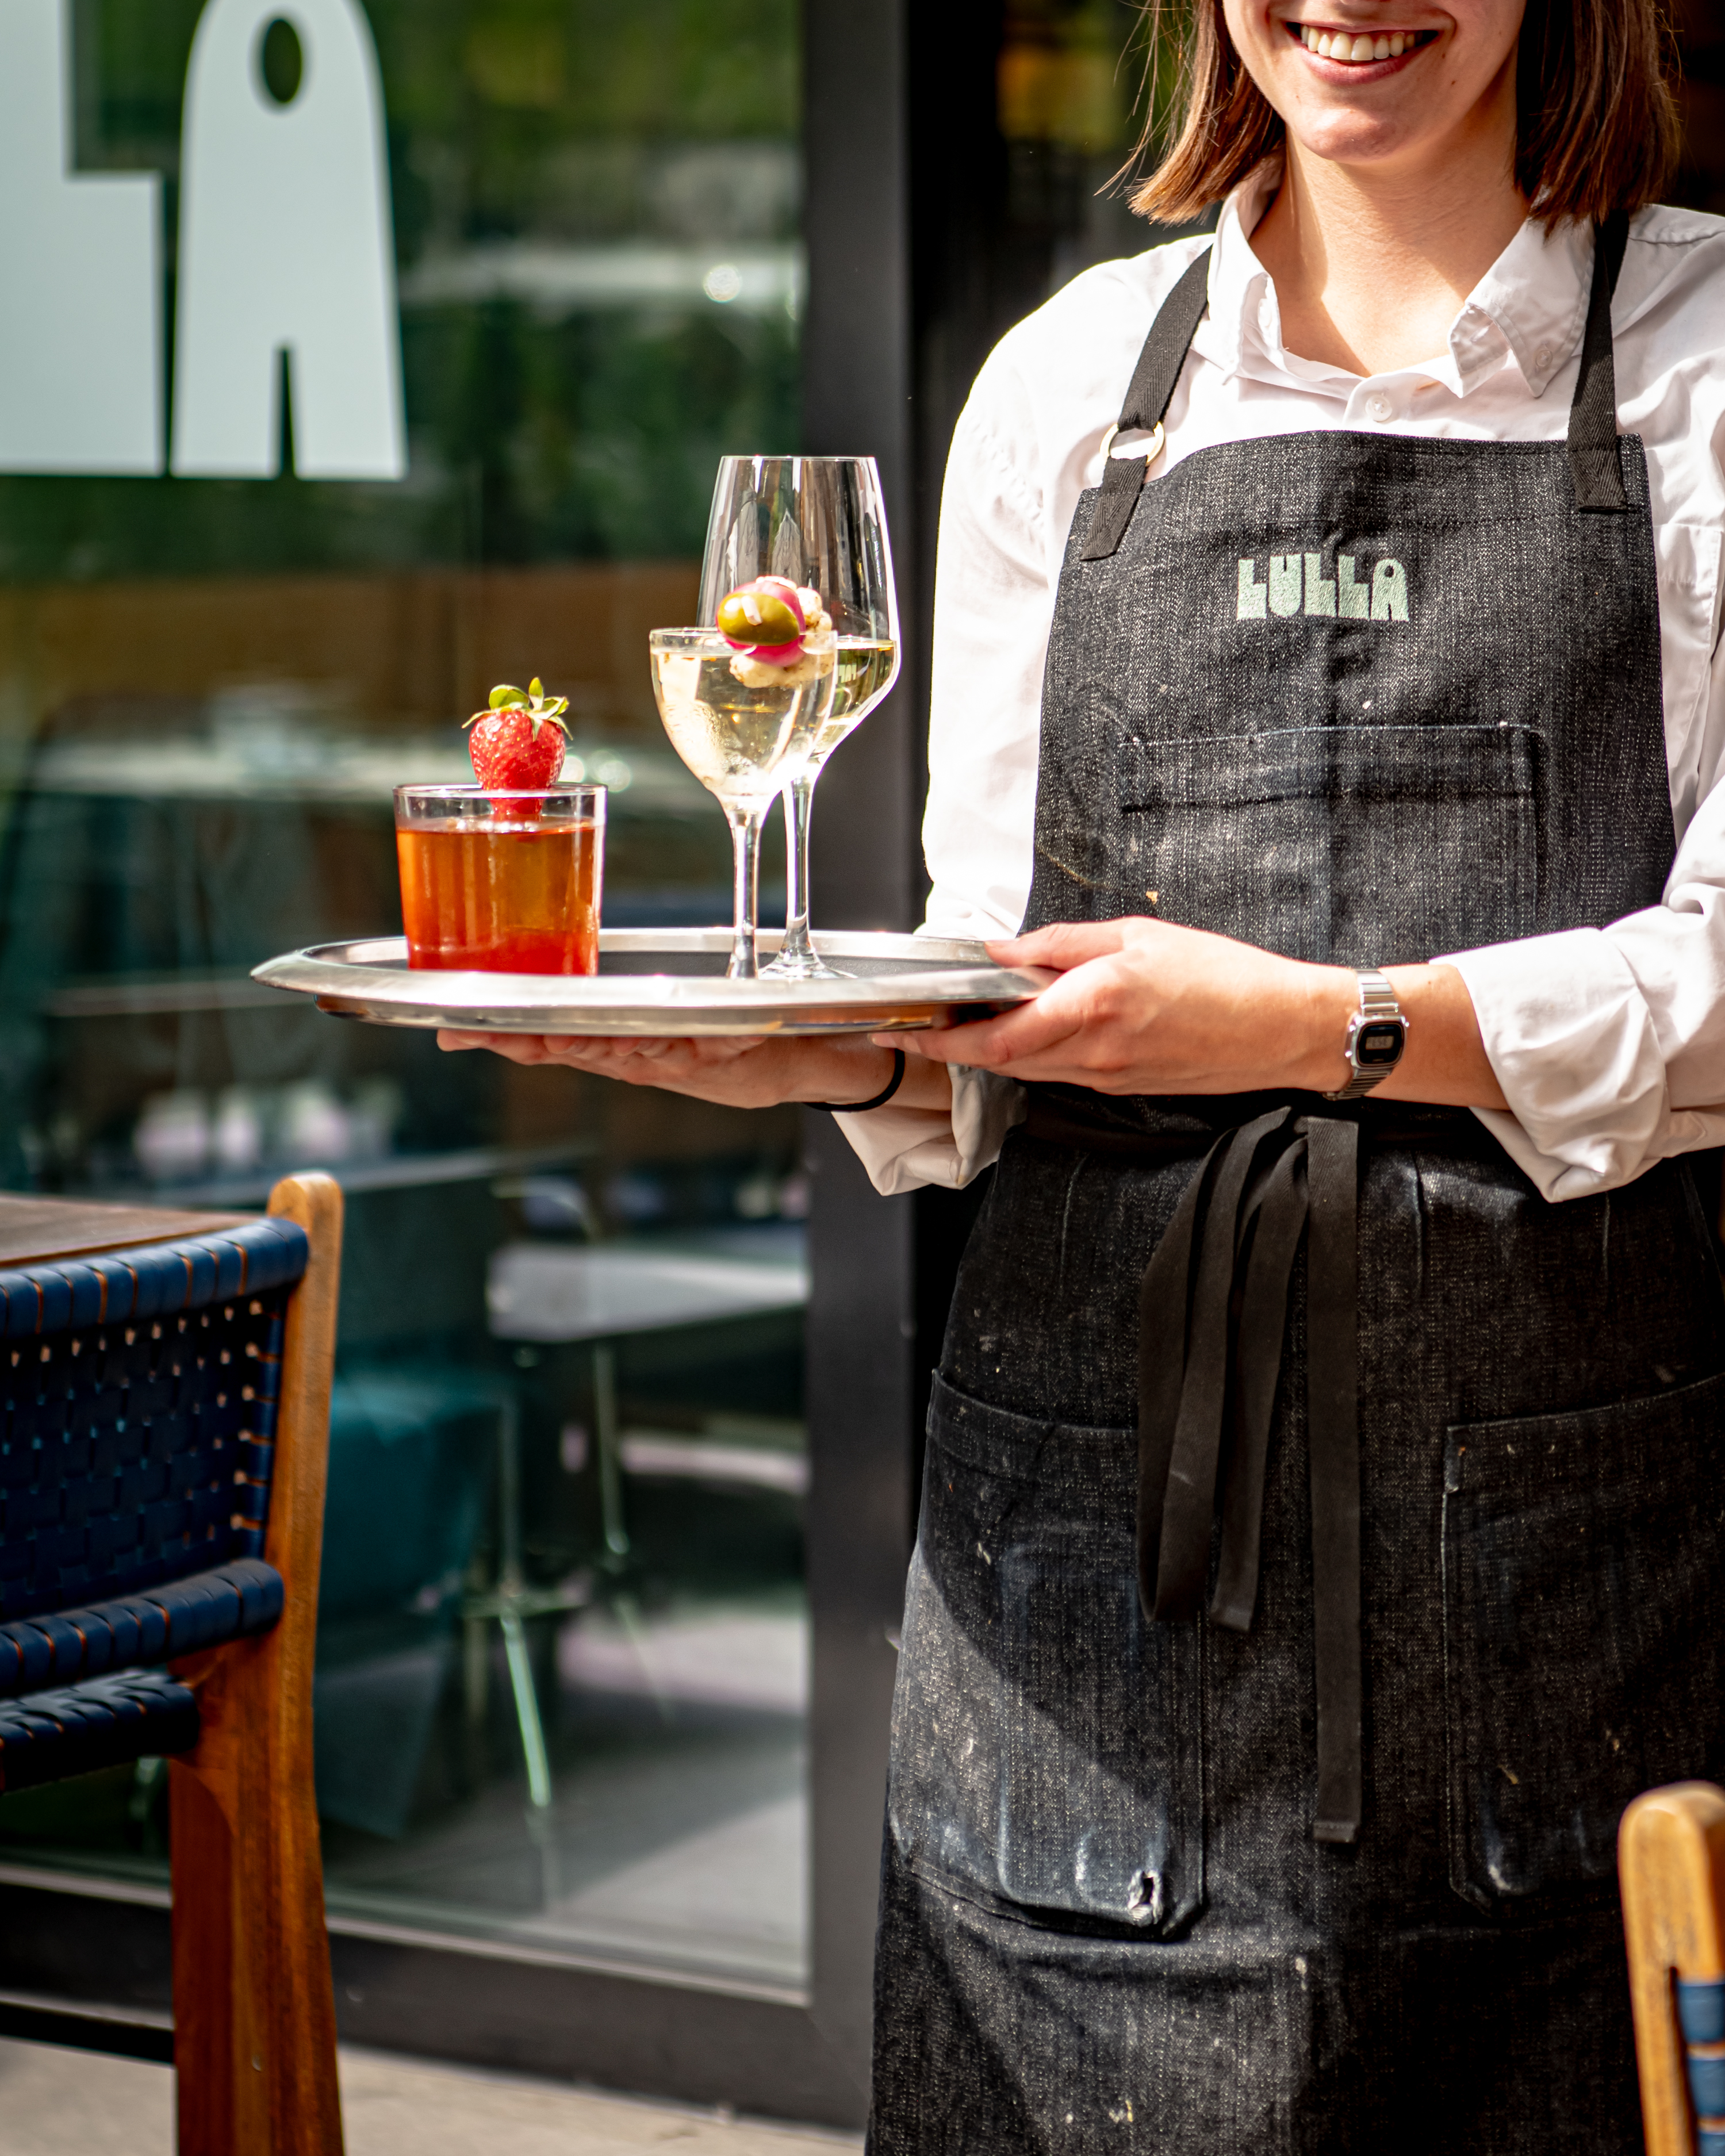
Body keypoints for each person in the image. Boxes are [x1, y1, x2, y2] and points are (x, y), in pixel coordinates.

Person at [444, 0, 1725, 2143]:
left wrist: (1321, 1026)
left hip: (1569, 1586)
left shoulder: (1700, 358)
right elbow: (987, 987)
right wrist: (792, 1057)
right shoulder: (1069, 386)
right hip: (1088, 1595)